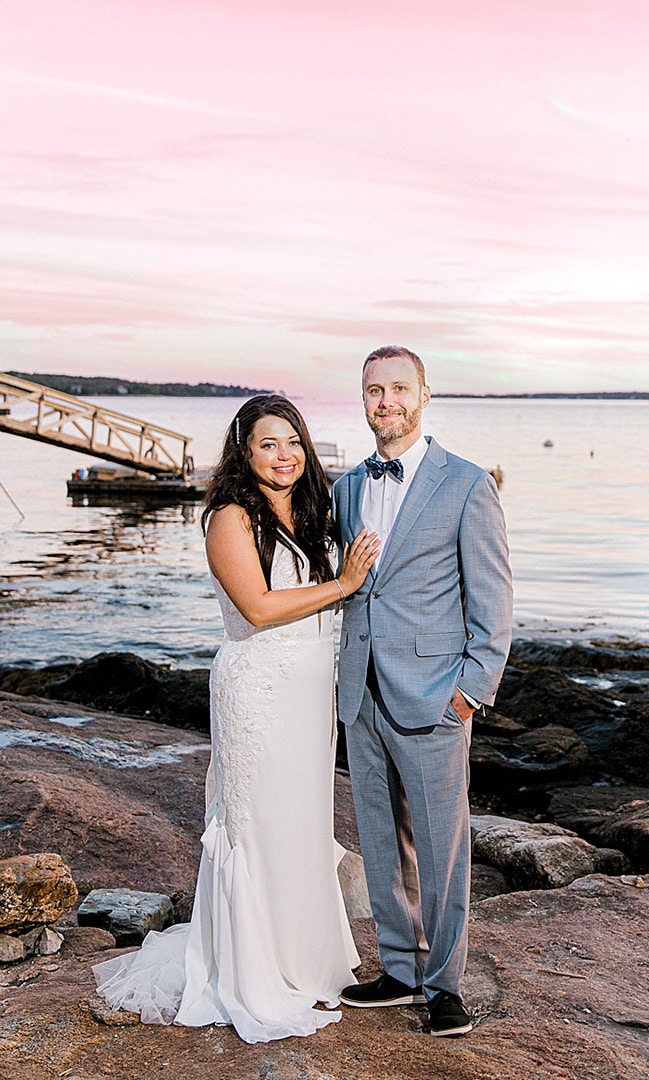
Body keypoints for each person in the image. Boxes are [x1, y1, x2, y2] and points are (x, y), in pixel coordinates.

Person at [93, 394, 379, 1043]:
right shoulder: (230, 515)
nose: (284, 456)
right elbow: (256, 606)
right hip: (257, 690)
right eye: (268, 445)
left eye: (293, 443)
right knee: (257, 822)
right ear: (244, 453)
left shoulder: (310, 511)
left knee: (303, 822)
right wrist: (345, 584)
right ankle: (252, 970)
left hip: (311, 691)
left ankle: (307, 961)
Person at [332, 346, 513, 1037]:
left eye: (398, 388)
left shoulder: (465, 485)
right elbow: (351, 592)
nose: (386, 402)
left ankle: (444, 987)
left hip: (435, 697)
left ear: (424, 395)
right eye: (374, 390)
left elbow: (493, 602)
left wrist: (469, 692)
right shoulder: (348, 488)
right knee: (380, 842)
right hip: (363, 696)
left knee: (442, 850)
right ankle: (401, 972)